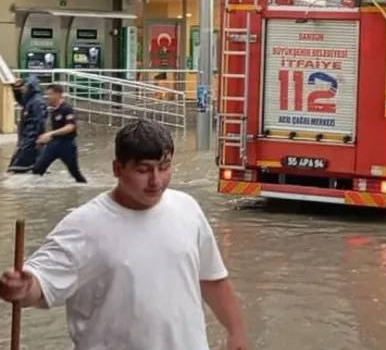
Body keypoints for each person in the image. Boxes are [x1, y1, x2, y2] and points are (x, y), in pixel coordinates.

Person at [0, 120, 249, 350]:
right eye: (143, 170)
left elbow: (212, 279)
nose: (156, 181)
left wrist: (236, 332)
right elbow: (40, 284)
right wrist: (22, 286)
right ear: (117, 168)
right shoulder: (85, 226)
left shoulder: (188, 209)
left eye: (164, 168)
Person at [31, 84, 86, 182]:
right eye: (47, 95)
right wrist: (45, 138)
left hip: (67, 145)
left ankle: (83, 187)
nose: (47, 97)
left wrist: (50, 134)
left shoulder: (67, 108)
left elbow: (70, 127)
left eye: (50, 94)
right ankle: (38, 194)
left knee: (75, 174)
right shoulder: (53, 110)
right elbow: (54, 128)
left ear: (58, 94)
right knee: (37, 169)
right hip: (53, 144)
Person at [7, 76, 47, 173]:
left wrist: (37, 140)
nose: (23, 88)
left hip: (31, 142)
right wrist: (15, 87)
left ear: (31, 87)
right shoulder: (30, 100)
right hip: (26, 141)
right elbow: (20, 99)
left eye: (25, 85)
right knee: (16, 168)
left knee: (18, 170)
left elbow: (40, 123)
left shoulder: (37, 102)